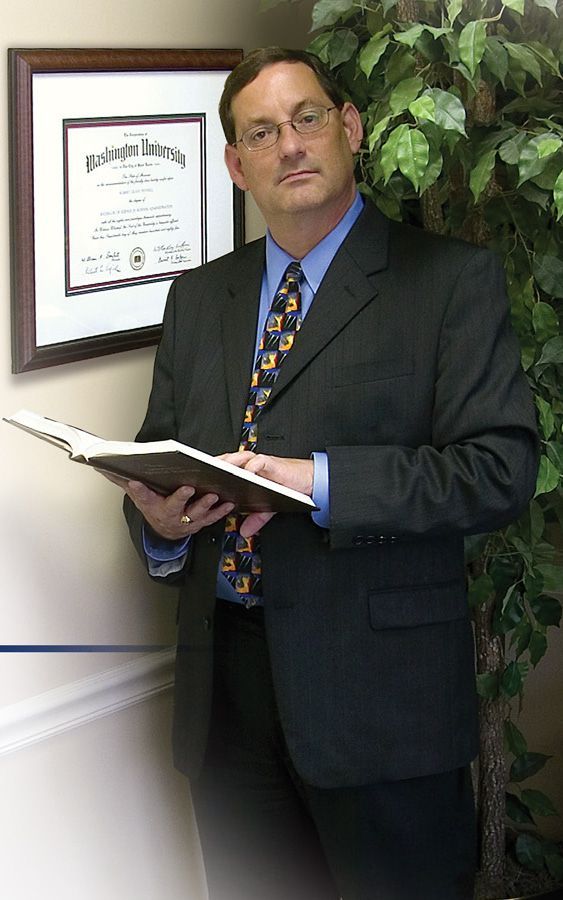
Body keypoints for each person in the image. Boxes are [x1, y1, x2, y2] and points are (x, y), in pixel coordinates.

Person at [120, 47, 538, 900]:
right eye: (262, 133)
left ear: (348, 127)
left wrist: (312, 480)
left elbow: (498, 471)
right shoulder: (199, 299)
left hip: (379, 706)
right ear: (237, 166)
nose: (291, 145)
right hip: (226, 702)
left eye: (307, 118)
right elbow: (158, 454)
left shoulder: (447, 283)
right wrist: (158, 528)